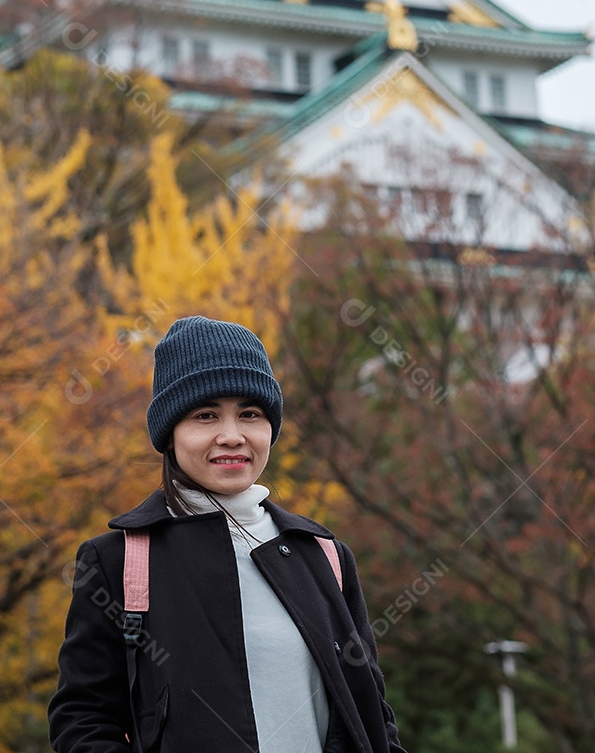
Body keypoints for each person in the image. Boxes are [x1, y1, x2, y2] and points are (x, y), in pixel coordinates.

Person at [49, 315, 408, 753]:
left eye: (250, 414)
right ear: (170, 433)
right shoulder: (118, 561)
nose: (232, 436)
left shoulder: (325, 555)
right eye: (205, 415)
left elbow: (374, 717)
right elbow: (82, 722)